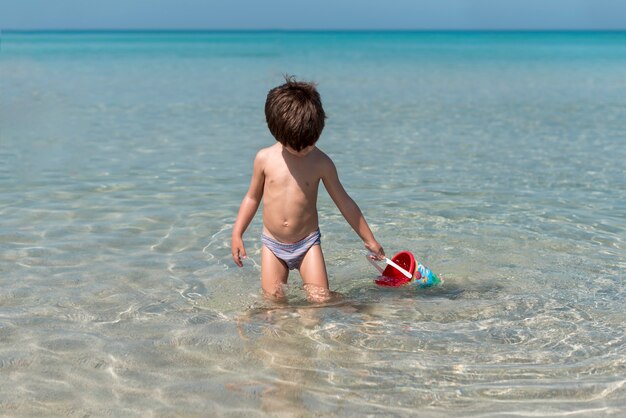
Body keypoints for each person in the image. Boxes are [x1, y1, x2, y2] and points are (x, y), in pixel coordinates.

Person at [231, 76, 385, 302]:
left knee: (320, 300)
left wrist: (369, 238)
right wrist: (237, 233)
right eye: (297, 147)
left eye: (310, 144)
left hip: (307, 243)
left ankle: (355, 307)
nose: (304, 151)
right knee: (273, 302)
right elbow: (252, 198)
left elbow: (345, 202)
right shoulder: (264, 159)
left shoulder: (321, 163)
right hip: (273, 244)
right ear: (277, 133)